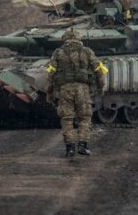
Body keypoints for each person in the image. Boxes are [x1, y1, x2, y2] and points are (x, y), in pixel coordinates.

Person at [46, 29, 107, 158]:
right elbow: (99, 70)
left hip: (65, 89)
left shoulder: (58, 53)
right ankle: (83, 146)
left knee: (67, 119)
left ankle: (70, 148)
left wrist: (50, 92)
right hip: (83, 89)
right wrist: (101, 87)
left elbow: (50, 73)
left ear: (65, 39)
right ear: (79, 39)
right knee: (84, 117)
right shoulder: (87, 51)